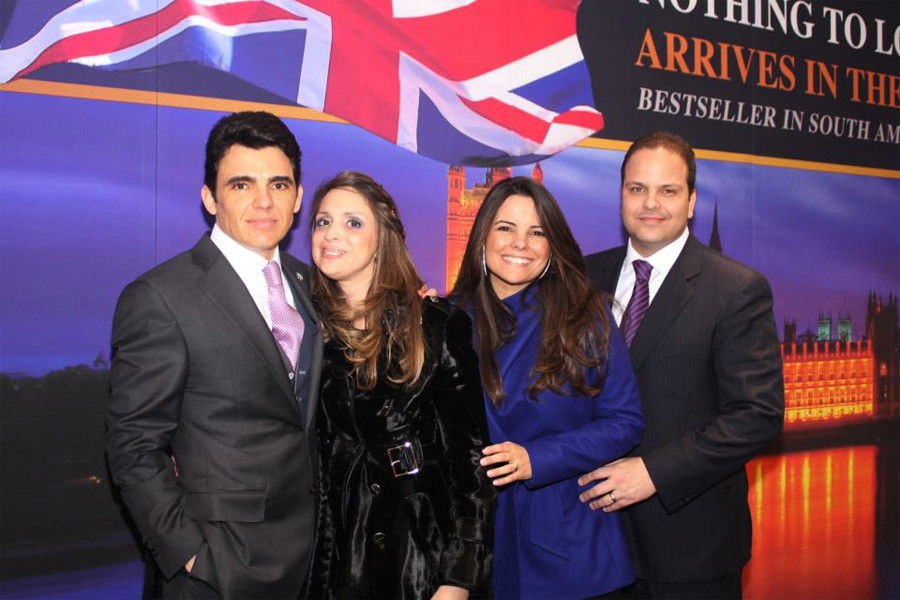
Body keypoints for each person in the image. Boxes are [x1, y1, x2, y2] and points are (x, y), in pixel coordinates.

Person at [106, 111, 321, 599]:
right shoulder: (161, 297)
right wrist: (191, 555)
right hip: (216, 571)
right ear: (210, 197)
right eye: (242, 185)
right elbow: (133, 446)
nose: (264, 201)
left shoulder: (312, 286)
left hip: (313, 566)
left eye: (279, 184)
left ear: (297, 198)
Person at [579, 131, 785, 599]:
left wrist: (654, 472)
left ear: (690, 202)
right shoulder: (583, 278)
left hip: (689, 553)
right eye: (637, 188)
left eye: (668, 190)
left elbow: (757, 415)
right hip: (591, 546)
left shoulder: (736, 289)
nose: (651, 203)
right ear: (621, 196)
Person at [450, 176, 645, 599]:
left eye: (536, 232)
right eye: (506, 228)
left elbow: (624, 421)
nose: (520, 243)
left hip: (569, 543)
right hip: (469, 543)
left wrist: (536, 459)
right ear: (481, 236)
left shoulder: (587, 314)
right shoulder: (446, 320)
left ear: (553, 246)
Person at [306, 171, 495, 599]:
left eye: (353, 222)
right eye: (322, 221)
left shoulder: (434, 325)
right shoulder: (304, 327)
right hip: (335, 558)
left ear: (382, 238)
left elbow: (470, 463)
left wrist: (458, 579)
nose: (332, 234)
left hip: (420, 557)